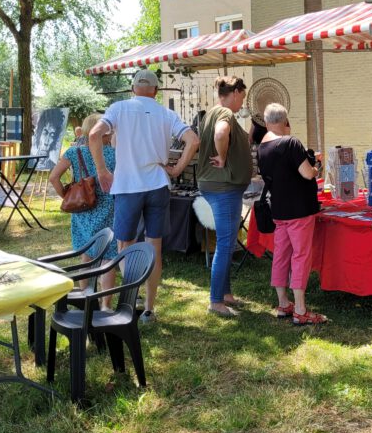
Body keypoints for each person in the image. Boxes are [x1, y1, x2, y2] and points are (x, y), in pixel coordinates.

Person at [89, 69, 199, 325]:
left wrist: (103, 171)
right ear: (156, 91)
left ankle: (129, 298)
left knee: (124, 247)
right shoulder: (166, 113)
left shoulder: (119, 109)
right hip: (158, 184)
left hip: (128, 185)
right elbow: (193, 140)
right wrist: (177, 169)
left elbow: (94, 135)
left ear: (132, 88)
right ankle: (149, 309)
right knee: (154, 248)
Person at [257, 103, 326, 325]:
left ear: (267, 122)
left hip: (278, 209)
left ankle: (283, 303)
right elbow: (307, 174)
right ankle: (300, 309)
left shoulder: (263, 146)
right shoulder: (291, 142)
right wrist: (317, 166)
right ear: (286, 121)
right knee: (300, 256)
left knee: (281, 255)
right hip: (299, 209)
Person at [196, 76, 253, 318]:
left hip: (217, 185)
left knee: (227, 242)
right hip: (224, 187)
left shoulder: (211, 112)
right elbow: (221, 135)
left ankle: (226, 293)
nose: (243, 101)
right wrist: (221, 157)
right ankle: (216, 301)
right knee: (226, 243)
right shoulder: (225, 115)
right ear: (236, 92)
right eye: (243, 95)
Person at [50, 113, 118, 290]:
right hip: (109, 208)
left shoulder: (73, 152)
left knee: (85, 253)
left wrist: (67, 196)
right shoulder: (115, 154)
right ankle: (105, 305)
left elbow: (53, 177)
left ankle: (85, 296)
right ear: (105, 132)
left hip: (82, 208)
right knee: (108, 257)